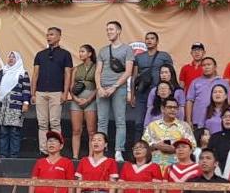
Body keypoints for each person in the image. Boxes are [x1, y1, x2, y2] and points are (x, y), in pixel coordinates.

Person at [94, 20, 132, 161]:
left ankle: (118, 151)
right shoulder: (103, 50)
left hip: (118, 88)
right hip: (102, 89)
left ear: (119, 31)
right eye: (107, 30)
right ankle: (100, 151)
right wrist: (99, 87)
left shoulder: (127, 49)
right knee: (102, 121)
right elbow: (97, 71)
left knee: (120, 121)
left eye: (111, 29)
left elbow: (128, 71)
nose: (109, 32)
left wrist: (114, 87)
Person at [31, 26, 72, 155]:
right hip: (41, 92)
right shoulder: (40, 54)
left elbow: (67, 74)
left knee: (54, 122)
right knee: (42, 123)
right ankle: (43, 150)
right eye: (47, 35)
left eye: (52, 34)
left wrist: (65, 93)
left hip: (56, 92)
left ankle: (56, 149)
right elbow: (35, 74)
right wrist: (33, 93)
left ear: (59, 37)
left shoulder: (65, 54)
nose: (49, 37)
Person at [0, 50, 30, 158]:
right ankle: (3, 155)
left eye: (13, 57)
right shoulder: (2, 72)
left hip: (16, 107)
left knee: (15, 132)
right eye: (9, 57)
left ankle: (13, 156)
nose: (11, 59)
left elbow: (26, 89)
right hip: (3, 107)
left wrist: (25, 103)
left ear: (18, 60)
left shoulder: (22, 73)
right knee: (3, 132)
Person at [132, 31, 173, 134]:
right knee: (139, 123)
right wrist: (132, 95)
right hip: (142, 92)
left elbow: (170, 74)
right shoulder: (138, 57)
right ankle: (138, 146)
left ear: (157, 41)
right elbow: (134, 77)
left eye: (152, 38)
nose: (149, 40)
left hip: (158, 93)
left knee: (157, 120)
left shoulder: (164, 56)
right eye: (147, 38)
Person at [143, 97, 195, 167]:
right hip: (155, 166)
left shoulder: (184, 126)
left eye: (175, 108)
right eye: (169, 107)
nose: (173, 110)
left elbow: (193, 146)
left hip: (177, 167)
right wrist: (156, 146)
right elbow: (143, 146)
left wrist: (176, 149)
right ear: (162, 109)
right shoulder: (152, 126)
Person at [67, 44, 97, 159]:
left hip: (91, 100)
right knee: (76, 130)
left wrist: (89, 99)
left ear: (90, 54)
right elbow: (71, 86)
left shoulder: (96, 67)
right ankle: (75, 156)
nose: (80, 54)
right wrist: (75, 99)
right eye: (80, 52)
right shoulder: (76, 68)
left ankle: (90, 156)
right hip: (77, 101)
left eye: (83, 51)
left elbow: (98, 86)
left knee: (91, 131)